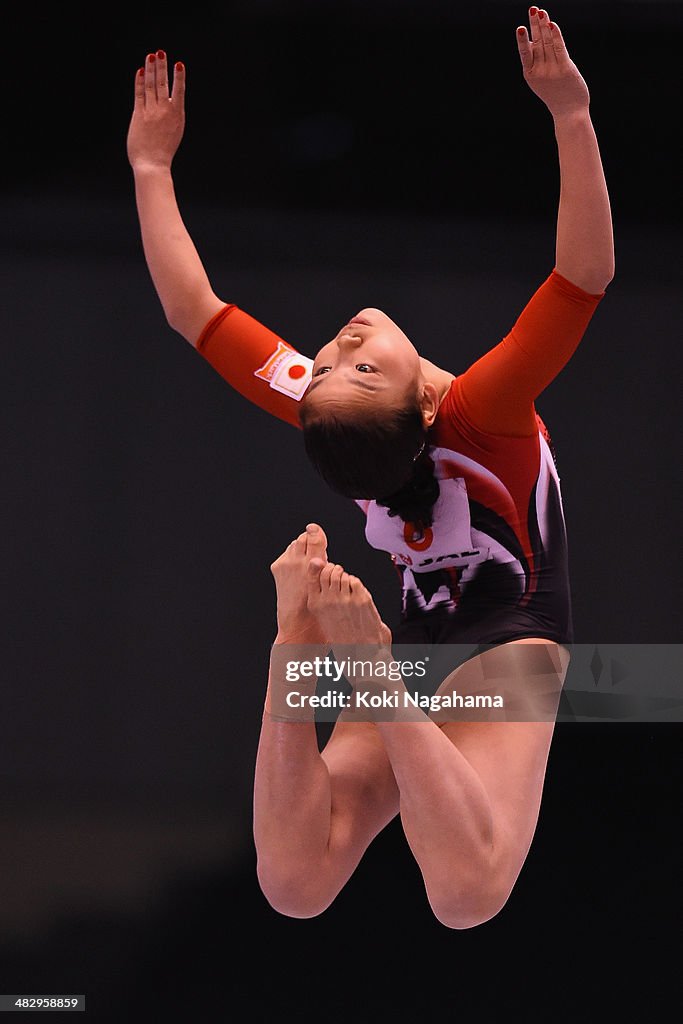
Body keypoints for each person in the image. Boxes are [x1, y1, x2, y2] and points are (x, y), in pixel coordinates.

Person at [127, 6, 614, 928]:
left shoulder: (335, 413)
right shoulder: (472, 408)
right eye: (355, 364)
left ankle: (310, 654)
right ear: (424, 405)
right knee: (432, 896)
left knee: (303, 887)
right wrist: (568, 115)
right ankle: (337, 663)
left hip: (421, 652)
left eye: (341, 362)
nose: (343, 344)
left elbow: (194, 313)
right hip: (505, 655)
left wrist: (151, 170)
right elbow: (580, 277)